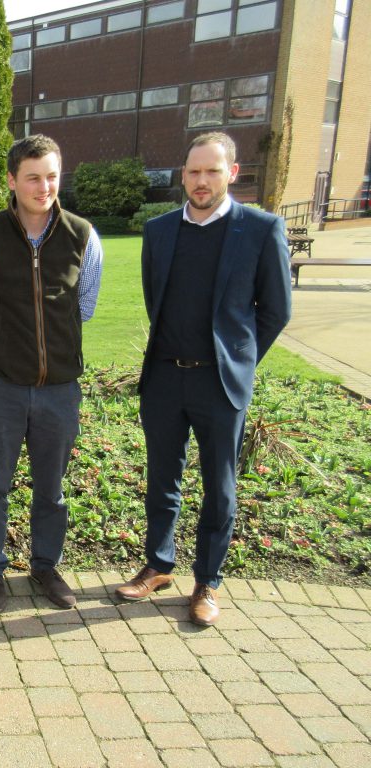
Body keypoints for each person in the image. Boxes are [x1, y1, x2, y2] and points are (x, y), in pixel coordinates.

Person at [115, 132, 291, 626]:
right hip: (166, 378)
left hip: (221, 384)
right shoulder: (160, 230)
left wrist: (238, 358)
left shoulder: (260, 230)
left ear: (232, 173)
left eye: (212, 171)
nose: (200, 181)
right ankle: (158, 564)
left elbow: (275, 312)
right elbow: (158, 301)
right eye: (193, 172)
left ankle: (207, 581)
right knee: (161, 480)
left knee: (220, 486)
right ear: (183, 175)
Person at [0, 135, 103, 612]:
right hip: (3, 388)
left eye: (52, 176)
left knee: (52, 489)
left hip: (60, 390)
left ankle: (46, 567)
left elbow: (84, 308)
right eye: (33, 177)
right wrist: (4, 356)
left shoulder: (83, 235)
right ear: (12, 180)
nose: (44, 187)